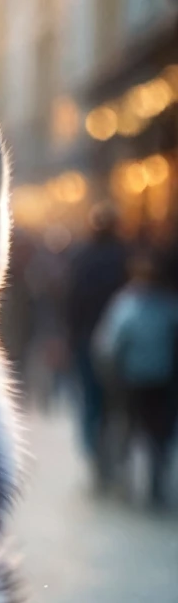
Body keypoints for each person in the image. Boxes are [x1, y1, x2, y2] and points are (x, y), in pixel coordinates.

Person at [92, 248, 178, 507]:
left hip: (130, 379)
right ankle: (155, 486)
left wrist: (109, 374)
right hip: (159, 379)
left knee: (125, 431)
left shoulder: (125, 304)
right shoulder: (169, 305)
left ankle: (122, 482)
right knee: (157, 435)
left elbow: (107, 344)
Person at [63, 202, 128, 487]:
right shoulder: (125, 257)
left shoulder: (81, 258)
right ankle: (112, 457)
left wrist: (70, 337)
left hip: (87, 340)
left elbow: (70, 302)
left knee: (91, 401)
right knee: (116, 403)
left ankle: (95, 455)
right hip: (122, 343)